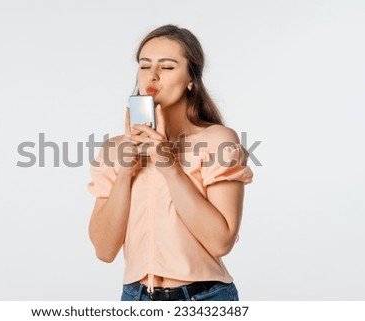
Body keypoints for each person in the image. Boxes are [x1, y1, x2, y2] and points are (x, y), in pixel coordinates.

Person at [87, 24, 253, 301]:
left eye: (167, 67)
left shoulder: (218, 140)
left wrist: (168, 166)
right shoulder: (115, 149)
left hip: (203, 299)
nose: (152, 75)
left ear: (191, 79)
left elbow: (221, 241)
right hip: (136, 298)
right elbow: (104, 251)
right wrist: (126, 172)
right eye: (144, 66)